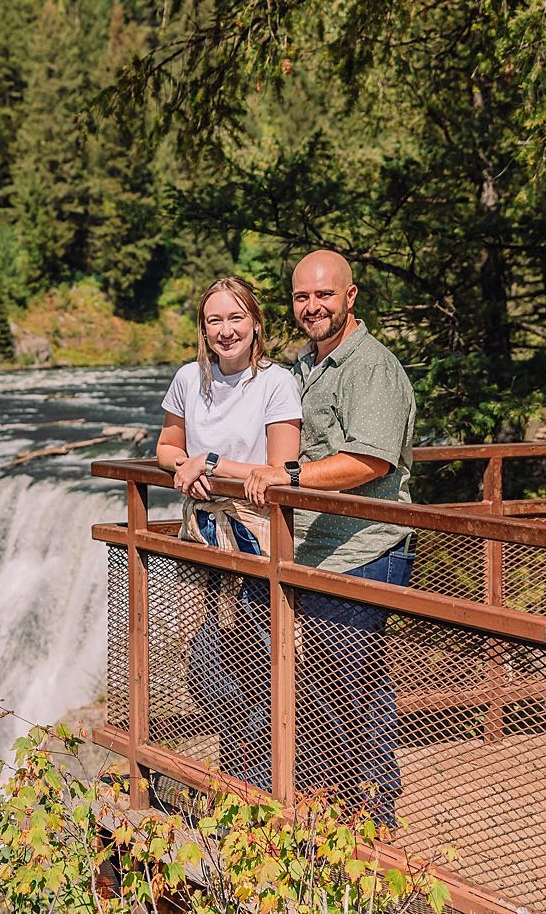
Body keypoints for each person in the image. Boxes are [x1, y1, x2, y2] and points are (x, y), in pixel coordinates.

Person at [244, 250, 417, 826]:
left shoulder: (371, 366)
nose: (312, 306)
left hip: (365, 548)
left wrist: (285, 477)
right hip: (310, 549)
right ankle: (324, 799)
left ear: (351, 296)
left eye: (324, 295)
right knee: (316, 677)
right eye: (301, 297)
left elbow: (370, 460)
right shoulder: (304, 367)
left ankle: (376, 810)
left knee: (355, 676)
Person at [157, 277, 302, 788]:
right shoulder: (187, 380)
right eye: (214, 320)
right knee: (202, 658)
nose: (226, 330)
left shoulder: (275, 383)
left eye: (236, 318)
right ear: (202, 328)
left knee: (263, 659)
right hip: (201, 536)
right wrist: (183, 466)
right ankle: (239, 762)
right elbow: (167, 446)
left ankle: (261, 785)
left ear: (256, 323)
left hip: (258, 535)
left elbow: (282, 467)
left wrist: (212, 464)